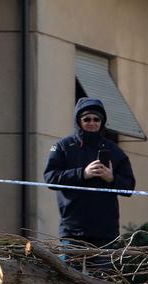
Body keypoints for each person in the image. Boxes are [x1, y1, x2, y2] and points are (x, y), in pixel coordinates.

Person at [43, 98, 137, 248]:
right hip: (72, 230)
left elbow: (129, 187)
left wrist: (111, 179)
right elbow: (50, 178)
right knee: (67, 265)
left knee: (105, 265)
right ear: (78, 121)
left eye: (96, 119)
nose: (92, 123)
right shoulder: (63, 146)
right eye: (87, 119)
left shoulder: (114, 150)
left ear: (102, 122)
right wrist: (82, 173)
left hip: (106, 233)